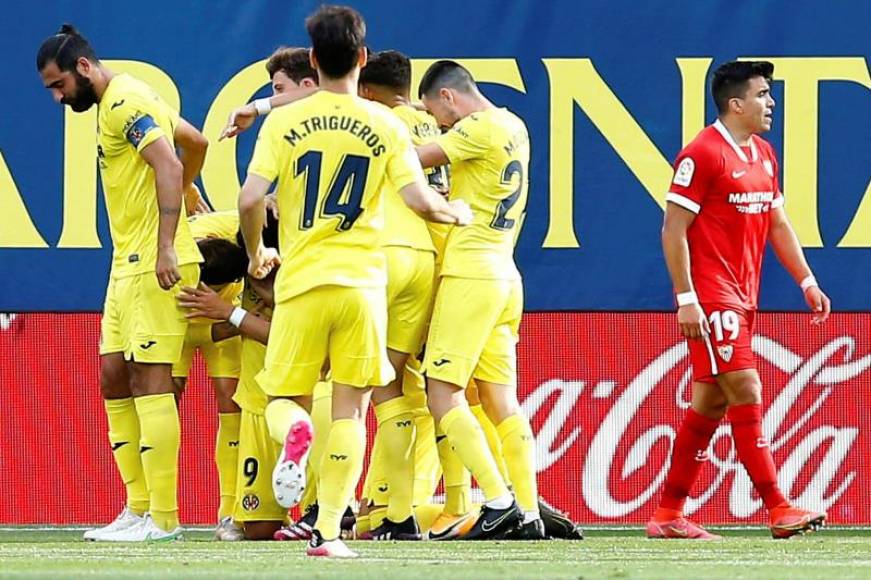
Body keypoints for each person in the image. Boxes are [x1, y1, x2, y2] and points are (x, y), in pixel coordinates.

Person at [237, 5, 471, 558]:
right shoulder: (385, 123)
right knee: (352, 408)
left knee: (283, 400)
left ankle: (296, 435)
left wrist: (258, 252)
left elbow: (250, 198)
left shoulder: (285, 121)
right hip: (364, 284)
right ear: (361, 59)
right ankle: (329, 533)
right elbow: (420, 202)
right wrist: (456, 212)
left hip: (301, 282)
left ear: (313, 60)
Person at [37, 24, 207, 541]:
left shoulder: (126, 103)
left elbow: (169, 162)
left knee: (151, 381)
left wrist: (166, 242)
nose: (57, 96)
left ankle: (163, 519)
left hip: (154, 262)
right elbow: (195, 141)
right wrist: (189, 185)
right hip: (126, 262)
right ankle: (136, 509)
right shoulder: (133, 95)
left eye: (58, 84)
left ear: (83, 67)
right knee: (114, 376)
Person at [652, 60, 831, 540]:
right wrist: (686, 297)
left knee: (710, 401)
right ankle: (778, 506)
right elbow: (673, 229)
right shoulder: (703, 154)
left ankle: (668, 515)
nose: (770, 103)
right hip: (712, 298)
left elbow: (777, 222)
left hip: (743, 297)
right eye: (762, 94)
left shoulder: (764, 154)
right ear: (736, 104)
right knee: (747, 389)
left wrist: (806, 280)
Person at [416, 60, 543, 539]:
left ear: (449, 97)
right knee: (498, 398)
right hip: (506, 273)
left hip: (470, 272)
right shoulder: (514, 124)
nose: (441, 126)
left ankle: (497, 498)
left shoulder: (478, 127)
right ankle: (528, 512)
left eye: (437, 115)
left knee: (441, 390)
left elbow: (411, 160)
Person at [355, 48, 443, 541]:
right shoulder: (435, 124)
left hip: (383, 251)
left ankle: (330, 507)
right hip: (426, 259)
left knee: (360, 386)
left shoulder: (376, 121)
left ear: (367, 90)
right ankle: (396, 510)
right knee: (404, 392)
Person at [172, 210, 245, 541]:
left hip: (224, 330)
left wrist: (223, 312)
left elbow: (253, 315)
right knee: (159, 403)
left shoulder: (240, 232)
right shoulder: (174, 243)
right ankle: (153, 511)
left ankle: (229, 513)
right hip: (175, 330)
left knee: (233, 408)